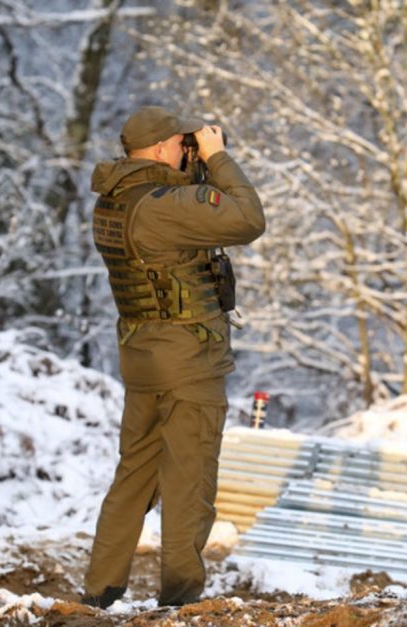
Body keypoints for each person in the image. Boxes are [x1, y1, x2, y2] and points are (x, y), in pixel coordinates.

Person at [82, 105, 265, 608]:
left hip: (143, 357)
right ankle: (180, 600)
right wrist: (219, 157)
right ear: (163, 147)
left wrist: (197, 171)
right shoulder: (164, 205)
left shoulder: (115, 201)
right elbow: (248, 218)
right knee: (189, 480)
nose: (190, 152)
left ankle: (100, 589)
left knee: (133, 476)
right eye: (184, 145)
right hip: (188, 361)